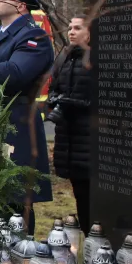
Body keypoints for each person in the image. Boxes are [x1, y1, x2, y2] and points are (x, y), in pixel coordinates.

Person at [0, 0, 55, 229]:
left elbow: (14, 75)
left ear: (21, 6)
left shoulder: (33, 36)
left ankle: (20, 254)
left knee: (15, 196)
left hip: (17, 120)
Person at [49, 15, 93, 225]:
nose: (71, 32)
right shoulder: (65, 57)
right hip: (69, 139)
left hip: (89, 140)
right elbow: (54, 88)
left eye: (78, 28)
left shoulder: (96, 59)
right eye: (70, 28)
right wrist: (55, 100)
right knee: (81, 197)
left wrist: (76, 103)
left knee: (91, 197)